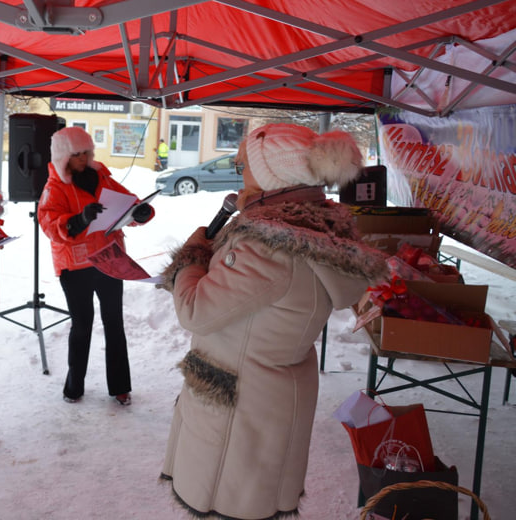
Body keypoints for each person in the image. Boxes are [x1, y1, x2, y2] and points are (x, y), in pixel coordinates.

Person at [159, 123, 388, 519]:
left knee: (229, 503)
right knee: (252, 501)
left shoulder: (268, 248)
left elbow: (195, 310)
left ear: (271, 176)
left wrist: (192, 259)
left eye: (244, 164)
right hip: (269, 392)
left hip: (240, 400)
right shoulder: (309, 232)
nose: (239, 172)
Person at [37, 126, 155, 405]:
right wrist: (79, 219)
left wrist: (141, 212)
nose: (83, 159)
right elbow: (48, 224)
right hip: (75, 266)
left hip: (109, 258)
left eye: (87, 153)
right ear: (64, 156)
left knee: (114, 323)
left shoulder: (102, 175)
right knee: (82, 326)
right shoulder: (54, 186)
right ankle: (73, 387)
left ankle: (120, 387)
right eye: (77, 154)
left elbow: (129, 203)